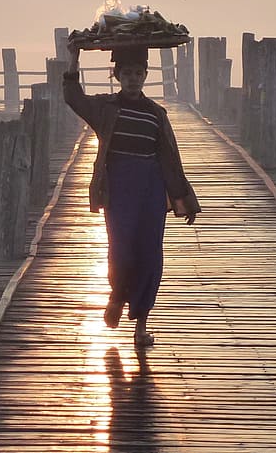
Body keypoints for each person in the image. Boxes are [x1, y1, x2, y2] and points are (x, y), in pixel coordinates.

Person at [63, 42, 201, 347]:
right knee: (121, 250)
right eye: (127, 73)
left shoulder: (156, 114)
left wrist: (184, 198)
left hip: (151, 190)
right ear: (117, 75)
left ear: (146, 75)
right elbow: (73, 98)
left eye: (138, 73)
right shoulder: (105, 109)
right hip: (118, 189)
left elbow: (170, 159)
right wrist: (74, 57)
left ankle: (140, 327)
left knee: (149, 256)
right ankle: (117, 296)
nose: (133, 79)